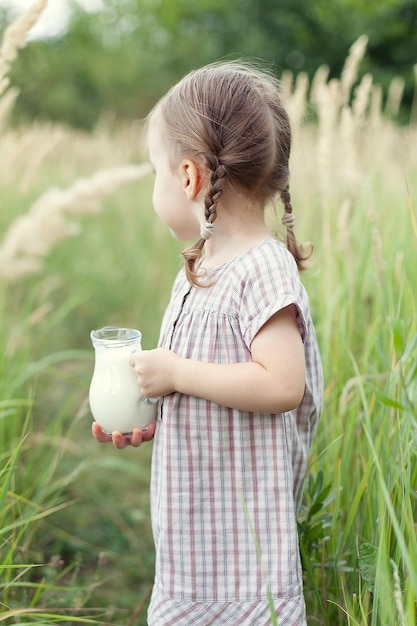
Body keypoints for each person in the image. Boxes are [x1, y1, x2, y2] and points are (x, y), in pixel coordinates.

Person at [93, 61, 323, 626]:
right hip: (194, 549)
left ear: (189, 177)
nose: (155, 185)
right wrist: (153, 407)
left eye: (155, 171)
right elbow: (205, 382)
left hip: (246, 571)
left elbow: (280, 383)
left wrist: (177, 373)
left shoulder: (261, 268)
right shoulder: (201, 268)